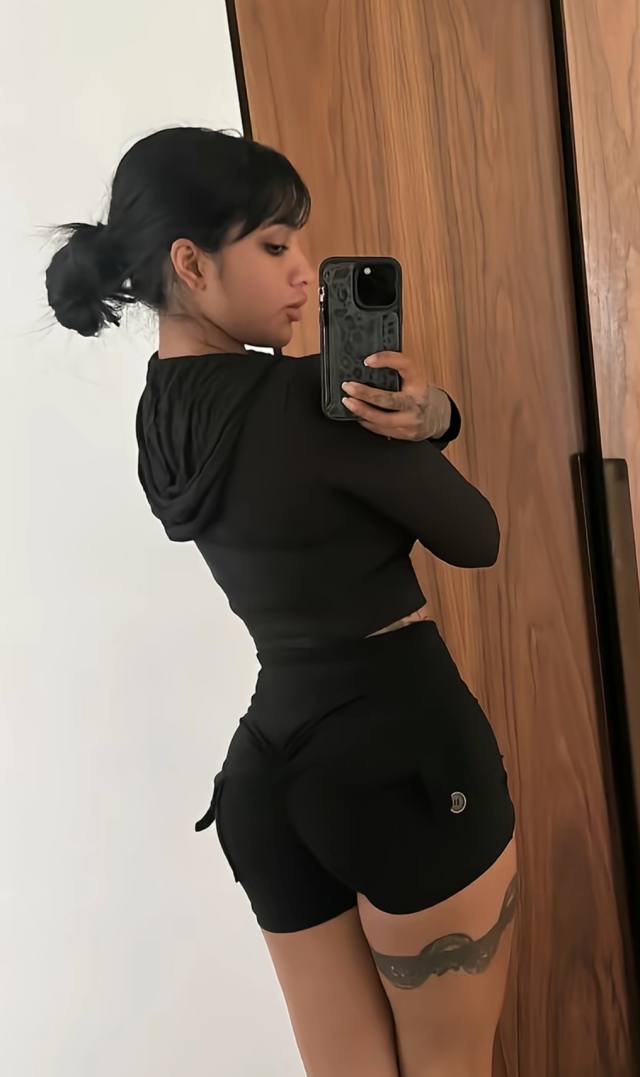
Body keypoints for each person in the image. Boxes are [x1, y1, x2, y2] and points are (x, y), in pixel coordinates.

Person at [45, 125, 518, 1077]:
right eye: (273, 245)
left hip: (269, 780)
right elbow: (476, 536)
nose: (305, 271)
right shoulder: (311, 397)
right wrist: (431, 415)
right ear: (192, 264)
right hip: (400, 758)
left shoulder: (158, 419)